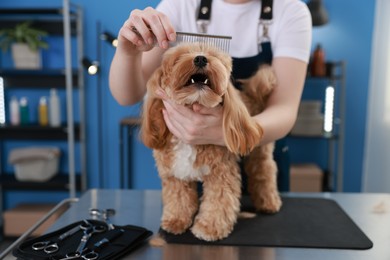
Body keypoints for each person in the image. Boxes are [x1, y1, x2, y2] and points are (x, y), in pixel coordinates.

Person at [109, 0, 312, 191]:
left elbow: (284, 109)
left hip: (259, 154)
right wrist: (128, 52)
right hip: (184, 161)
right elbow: (127, 96)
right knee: (180, 216)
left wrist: (232, 133)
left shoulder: (291, 11)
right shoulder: (179, 6)